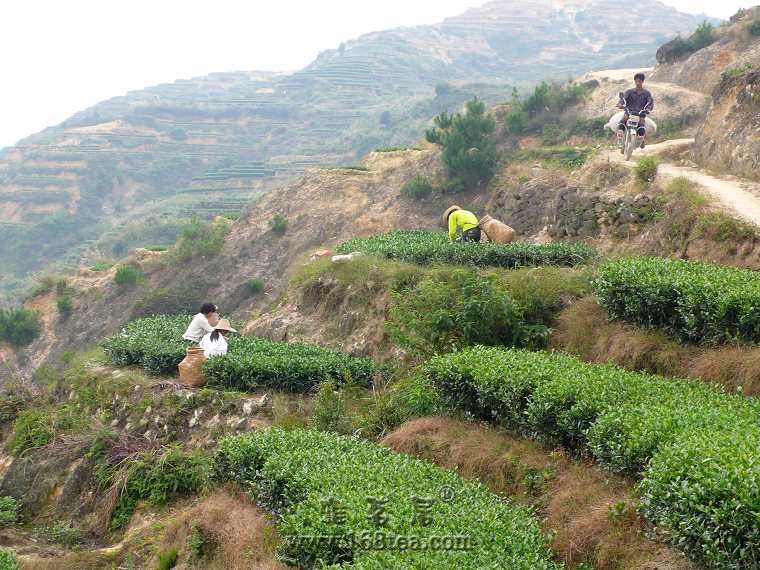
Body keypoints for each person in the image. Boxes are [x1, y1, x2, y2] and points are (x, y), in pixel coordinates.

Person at [617, 72, 654, 150]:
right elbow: (623, 99)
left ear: (642, 81)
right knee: (622, 122)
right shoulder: (629, 92)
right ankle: (620, 139)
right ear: (634, 81)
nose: (638, 83)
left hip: (640, 114)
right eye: (636, 81)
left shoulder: (647, 94)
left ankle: (641, 139)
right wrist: (620, 104)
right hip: (629, 112)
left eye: (639, 81)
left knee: (641, 126)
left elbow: (650, 102)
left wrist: (649, 108)